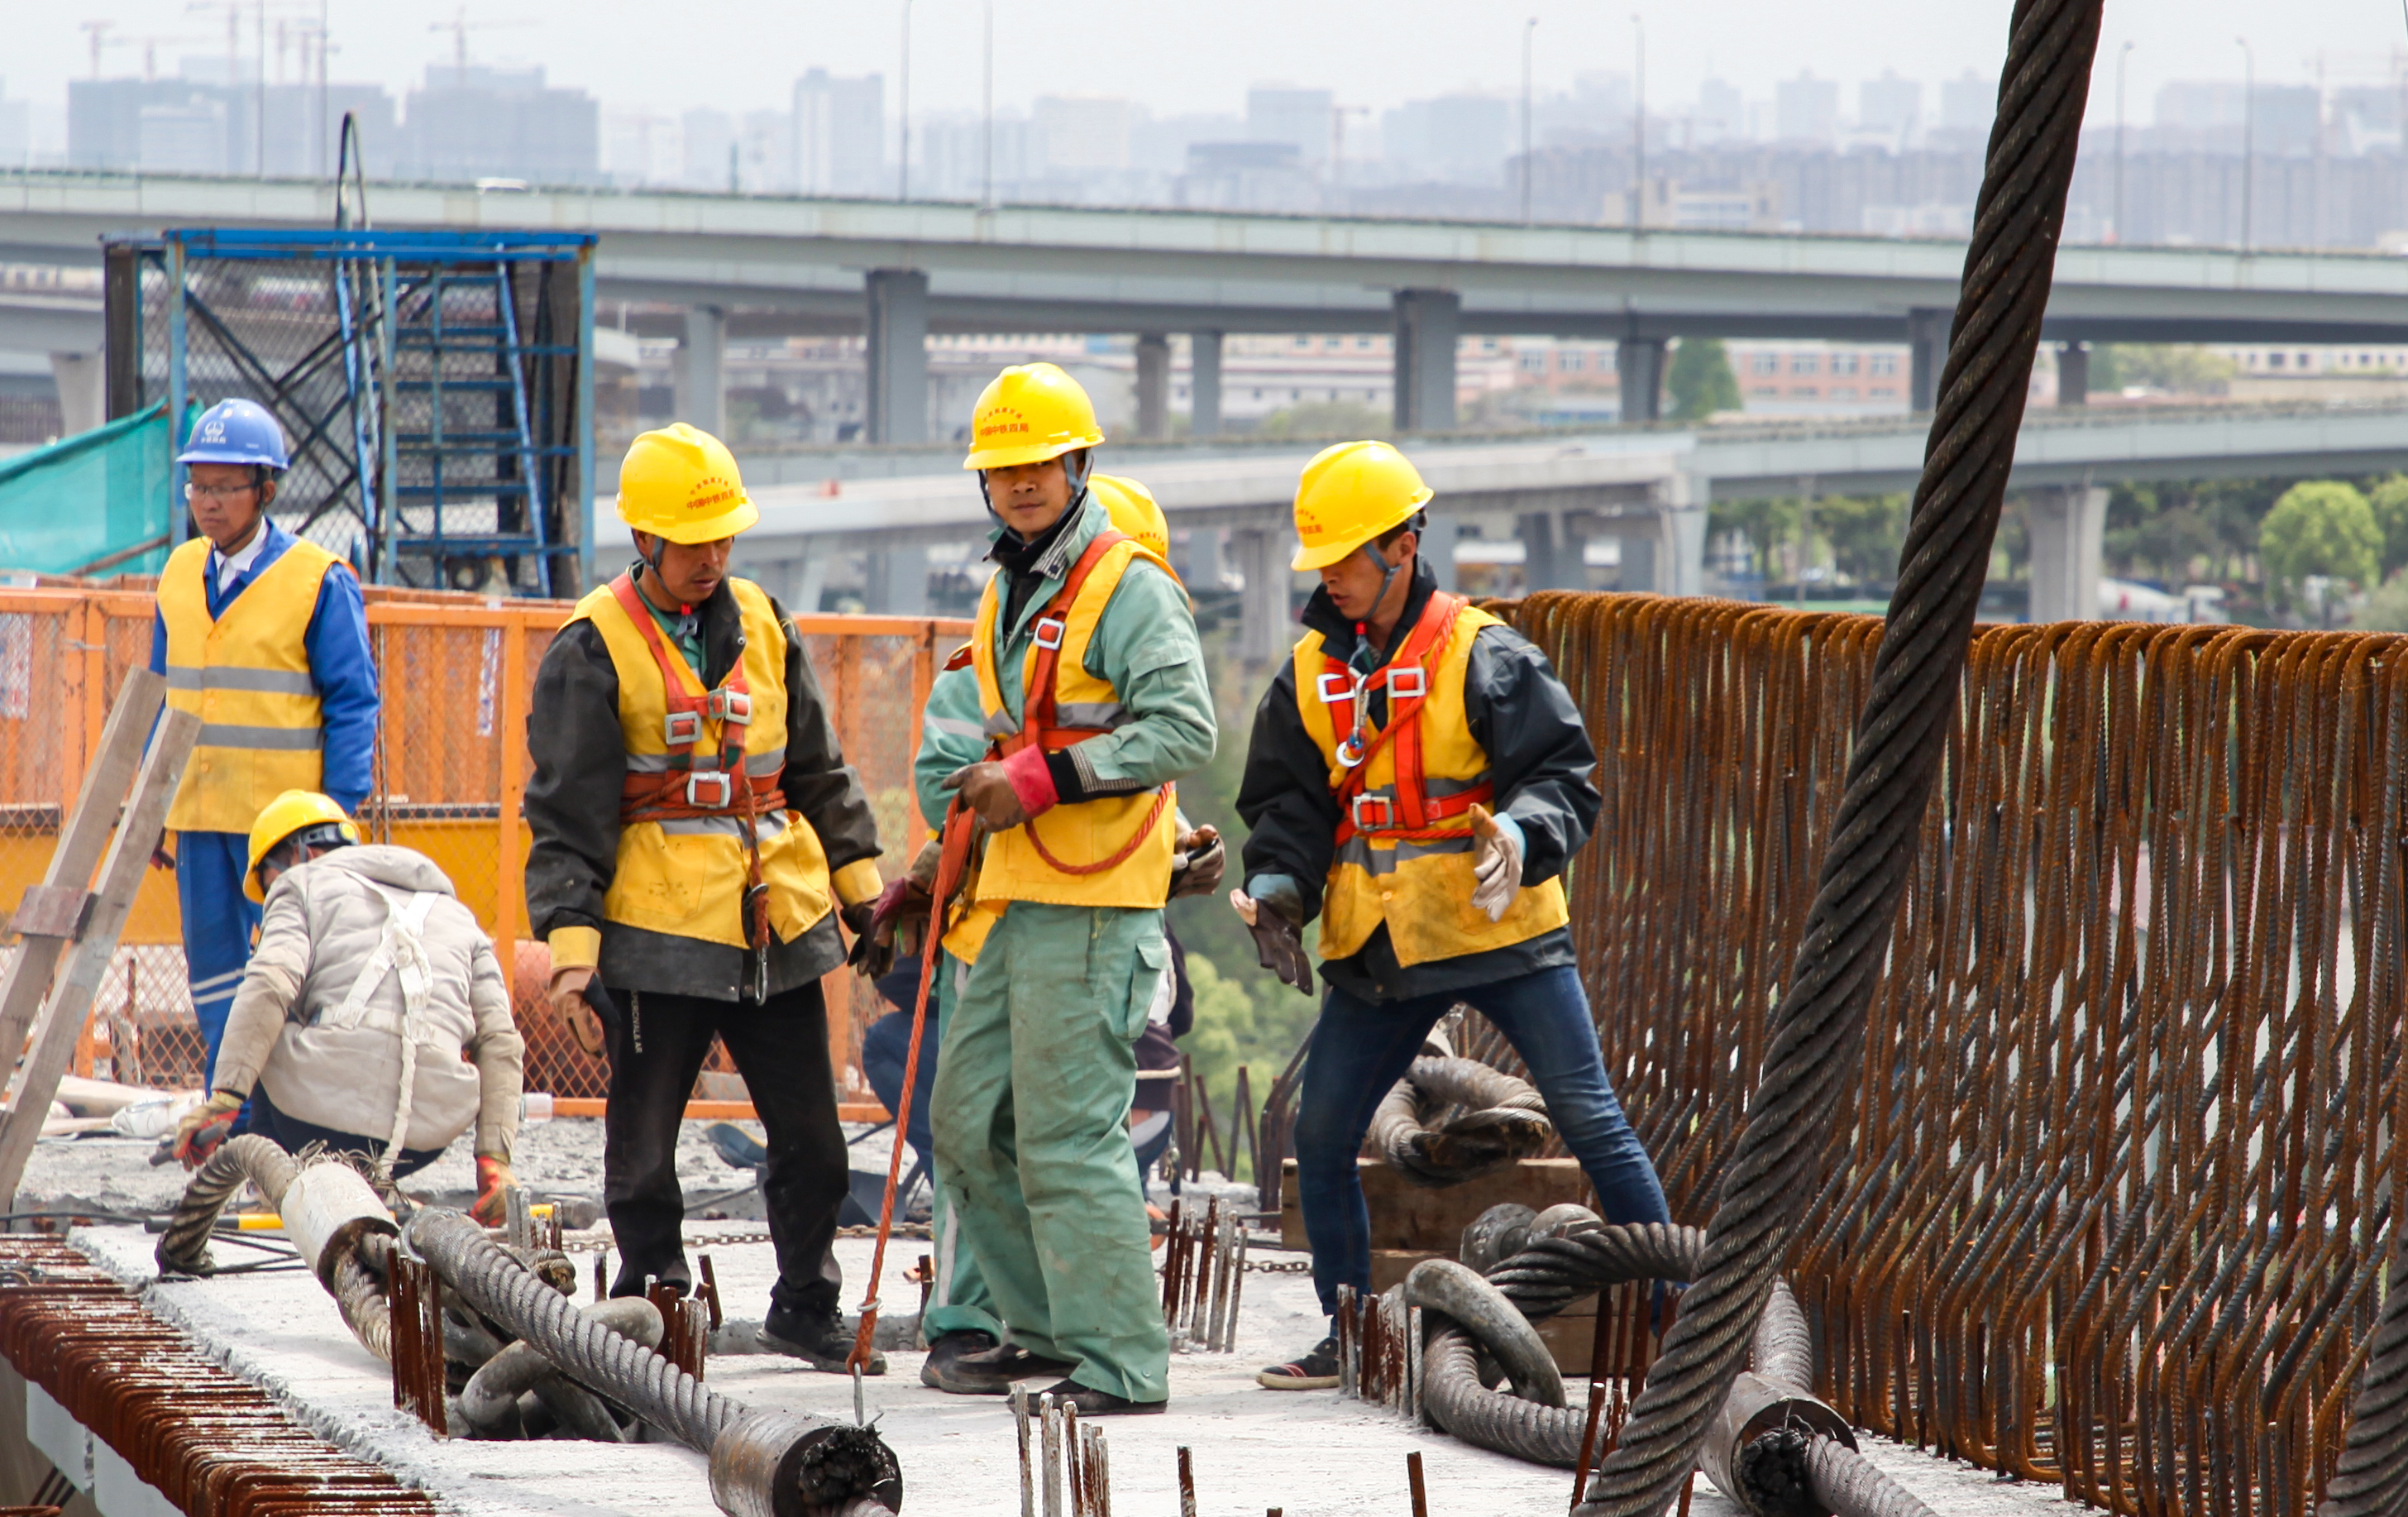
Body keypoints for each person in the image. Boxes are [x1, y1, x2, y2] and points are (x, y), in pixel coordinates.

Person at [1232, 439, 1671, 1389]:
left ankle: (1686, 1330)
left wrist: (1521, 832)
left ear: (1403, 545)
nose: (1335, 580)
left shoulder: (1487, 655)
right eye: (1326, 564)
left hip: (1501, 933)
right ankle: (1356, 1334)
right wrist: (1277, 891)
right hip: (1383, 944)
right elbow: (1290, 810)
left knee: (1595, 1124)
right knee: (1322, 1131)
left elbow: (1565, 777)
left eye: (1349, 559)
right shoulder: (1309, 675)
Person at [523, 423, 891, 1369]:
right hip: (655, 935)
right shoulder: (592, 647)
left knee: (812, 1138)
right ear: (645, 540)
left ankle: (806, 1303)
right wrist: (573, 955)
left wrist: (866, 899)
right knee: (642, 1150)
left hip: (776, 926)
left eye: (724, 538)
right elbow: (567, 814)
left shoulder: (764, 623)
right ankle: (658, 1307)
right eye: (694, 542)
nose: (712, 558)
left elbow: (818, 770)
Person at [904, 364, 1216, 1415]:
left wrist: (1037, 779)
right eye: (1003, 470)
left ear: (1078, 464)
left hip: (1088, 908)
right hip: (1011, 900)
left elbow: (1184, 728)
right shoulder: (1012, 586)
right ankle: (1038, 1332)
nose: (1020, 483)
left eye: (1038, 465)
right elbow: (990, 726)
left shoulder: (1128, 585)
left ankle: (1120, 1364)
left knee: (1067, 1138)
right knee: (969, 1122)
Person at [150, 398, 380, 1079]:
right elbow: (164, 699)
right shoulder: (178, 576)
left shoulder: (318, 582)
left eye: (225, 488)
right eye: (199, 486)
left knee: (287, 975)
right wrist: (155, 812)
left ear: (266, 491)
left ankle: (284, 1112)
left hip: (284, 834)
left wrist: (334, 817)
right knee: (216, 977)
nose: (208, 504)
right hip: (197, 818)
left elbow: (353, 703)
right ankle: (232, 1107)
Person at [170, 791, 523, 1213]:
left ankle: (270, 1190)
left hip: (313, 1123)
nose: (268, 896)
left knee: (266, 1014)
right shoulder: (460, 916)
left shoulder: (299, 884)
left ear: (302, 852)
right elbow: (501, 1040)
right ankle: (376, 1183)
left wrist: (226, 1100)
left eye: (267, 882)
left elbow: (269, 983)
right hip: (425, 1138)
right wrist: (495, 1160)